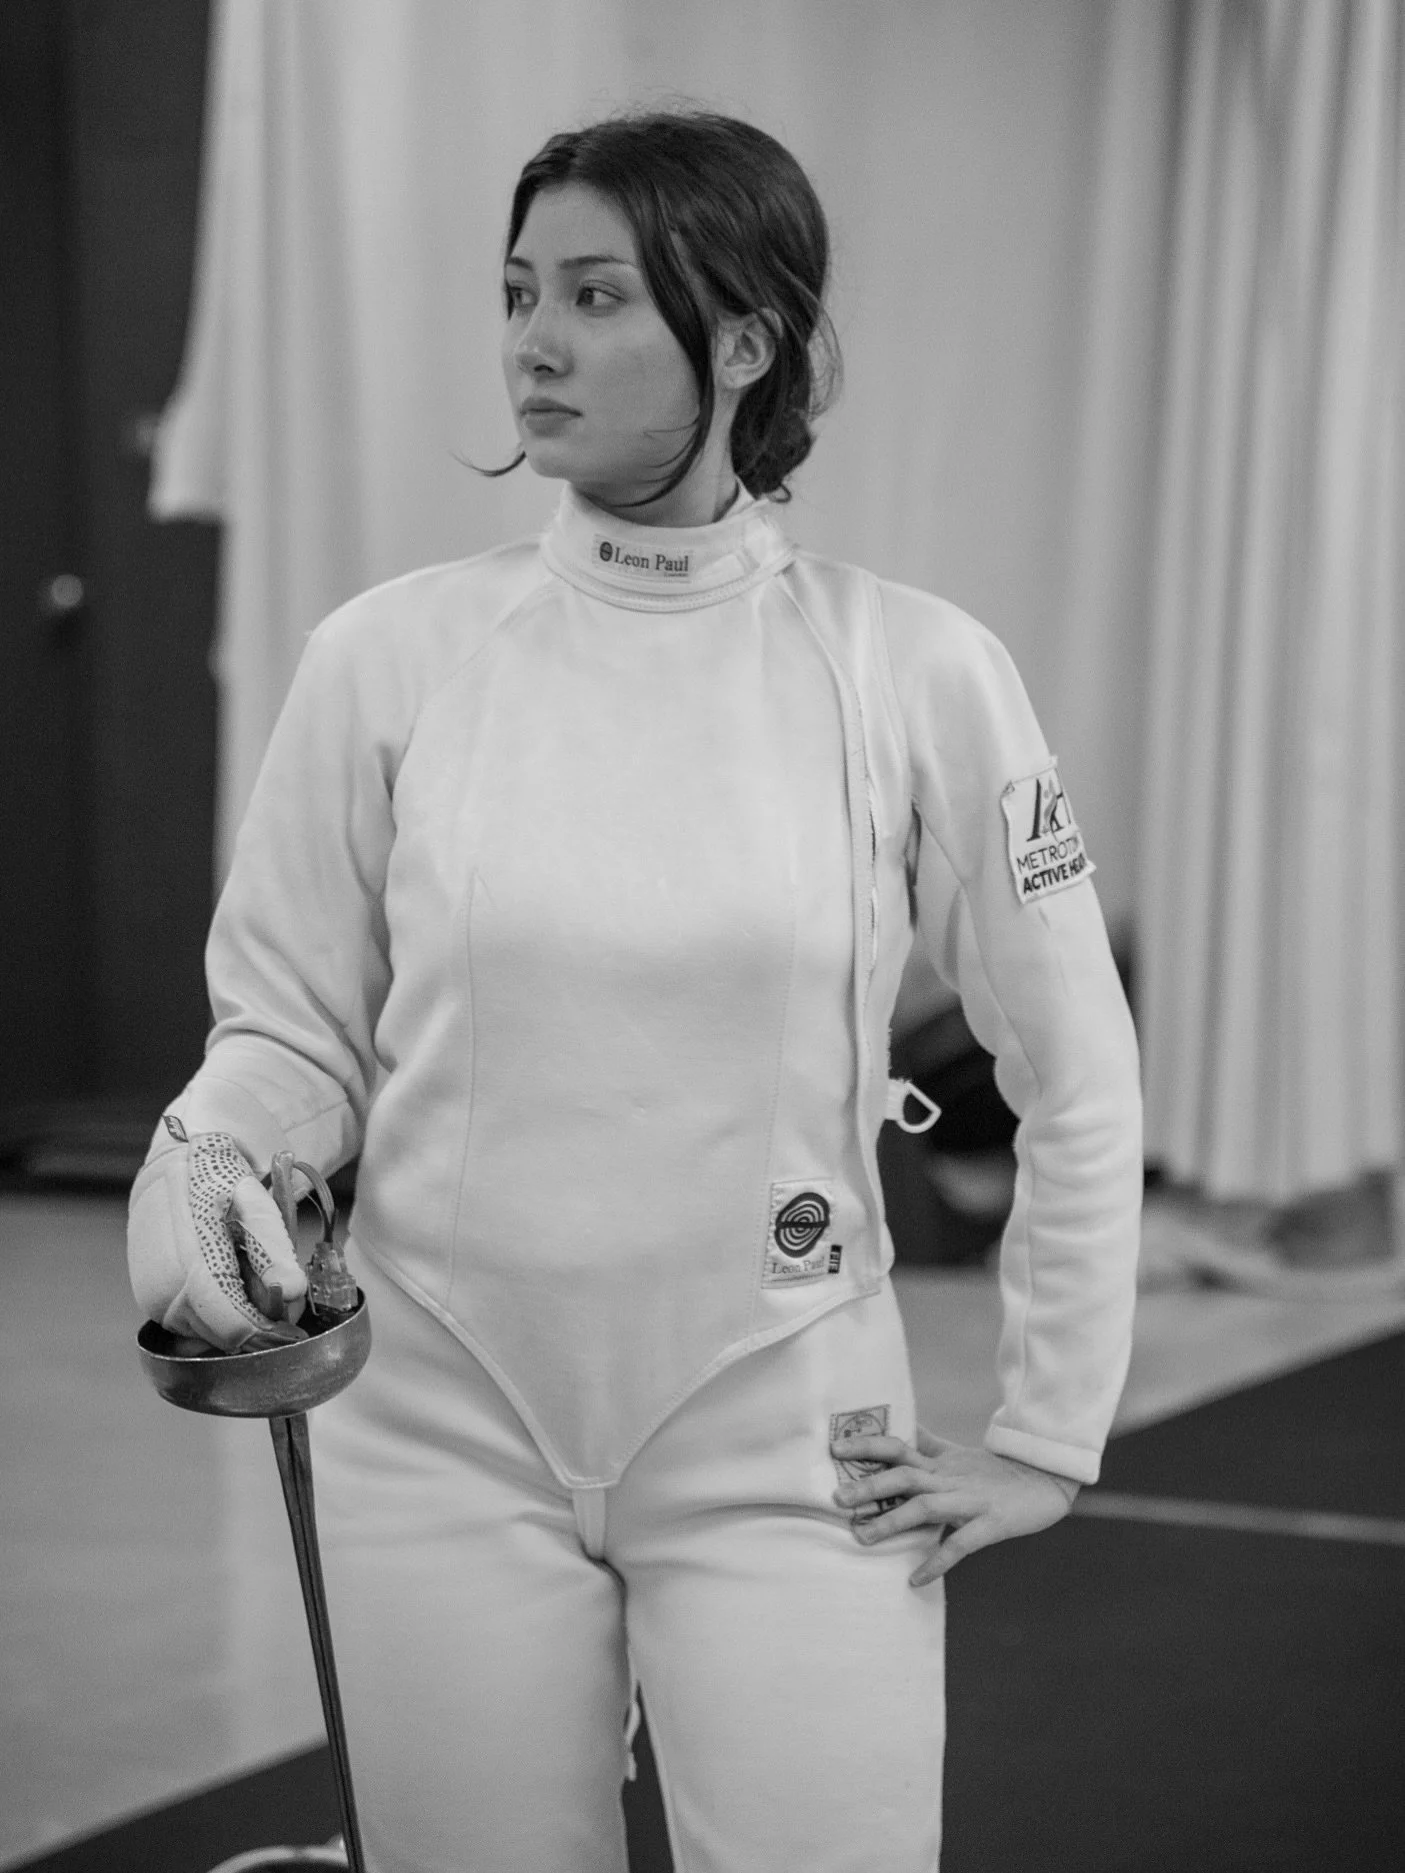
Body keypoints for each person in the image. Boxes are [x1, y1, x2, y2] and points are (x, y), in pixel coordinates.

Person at [127, 109, 1142, 1873]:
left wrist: (1049, 1433)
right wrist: (208, 1156)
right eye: (521, 291)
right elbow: (286, 1029)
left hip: (787, 1430)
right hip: (438, 1428)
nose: (533, 340)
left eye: (597, 296)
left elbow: (1077, 1067)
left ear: (741, 340)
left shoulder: (913, 668)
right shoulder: (389, 659)